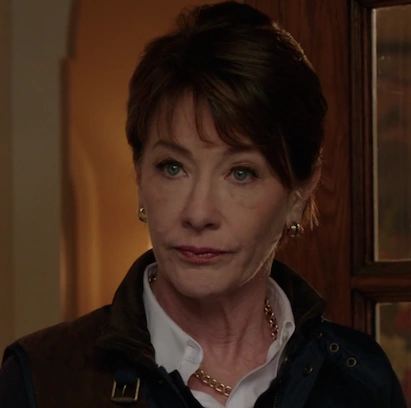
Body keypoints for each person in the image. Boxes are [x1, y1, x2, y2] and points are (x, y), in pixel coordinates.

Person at [0, 1, 406, 407]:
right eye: (173, 167)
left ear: (299, 194)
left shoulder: (361, 379)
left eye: (241, 172)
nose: (198, 214)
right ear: (140, 176)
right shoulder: (42, 380)